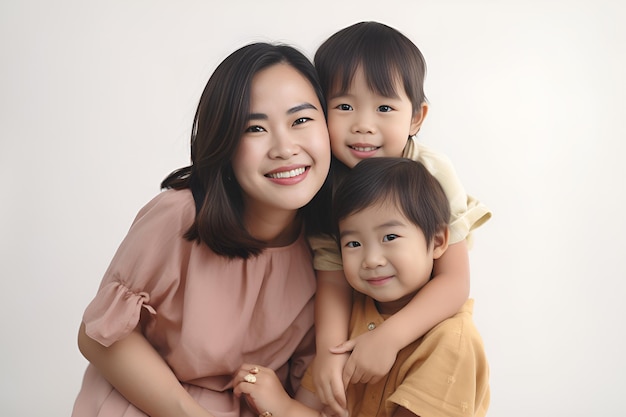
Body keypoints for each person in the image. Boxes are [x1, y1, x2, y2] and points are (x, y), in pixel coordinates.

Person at [71, 42, 332, 417]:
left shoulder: (328, 248)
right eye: (254, 128)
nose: (284, 147)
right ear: (224, 141)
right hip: (148, 403)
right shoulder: (179, 217)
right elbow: (100, 337)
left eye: (301, 120)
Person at [308, 21, 493, 415]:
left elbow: (455, 280)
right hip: (367, 312)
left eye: (384, 107)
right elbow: (333, 278)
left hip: (426, 316)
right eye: (343, 106)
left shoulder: (431, 172)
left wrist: (390, 337)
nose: (363, 124)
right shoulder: (325, 181)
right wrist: (327, 353)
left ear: (416, 117)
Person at [232, 157, 490, 417]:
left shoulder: (452, 342)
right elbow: (313, 405)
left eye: (390, 237)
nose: (371, 260)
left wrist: (284, 409)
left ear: (437, 241)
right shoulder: (350, 317)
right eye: (353, 244)